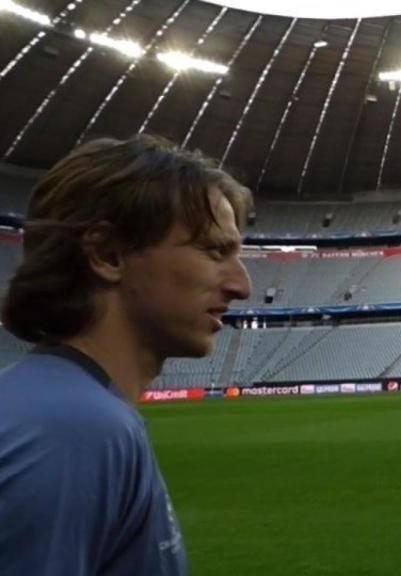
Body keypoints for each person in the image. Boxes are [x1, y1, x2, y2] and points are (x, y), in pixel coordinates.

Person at [0, 134, 252, 574]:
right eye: (215, 251)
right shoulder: (78, 430)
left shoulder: (54, 409)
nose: (242, 286)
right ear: (107, 254)